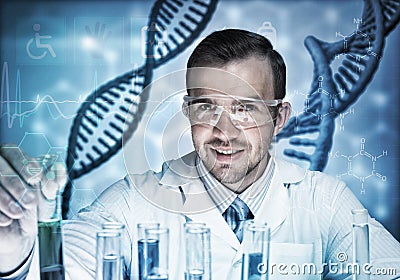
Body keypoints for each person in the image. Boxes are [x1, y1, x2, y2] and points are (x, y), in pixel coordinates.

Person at [0, 29, 399, 280]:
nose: (224, 132)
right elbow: (66, 266)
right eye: (207, 107)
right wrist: (16, 251)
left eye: (244, 108)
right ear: (187, 112)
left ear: (279, 117)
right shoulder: (131, 202)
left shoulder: (324, 200)